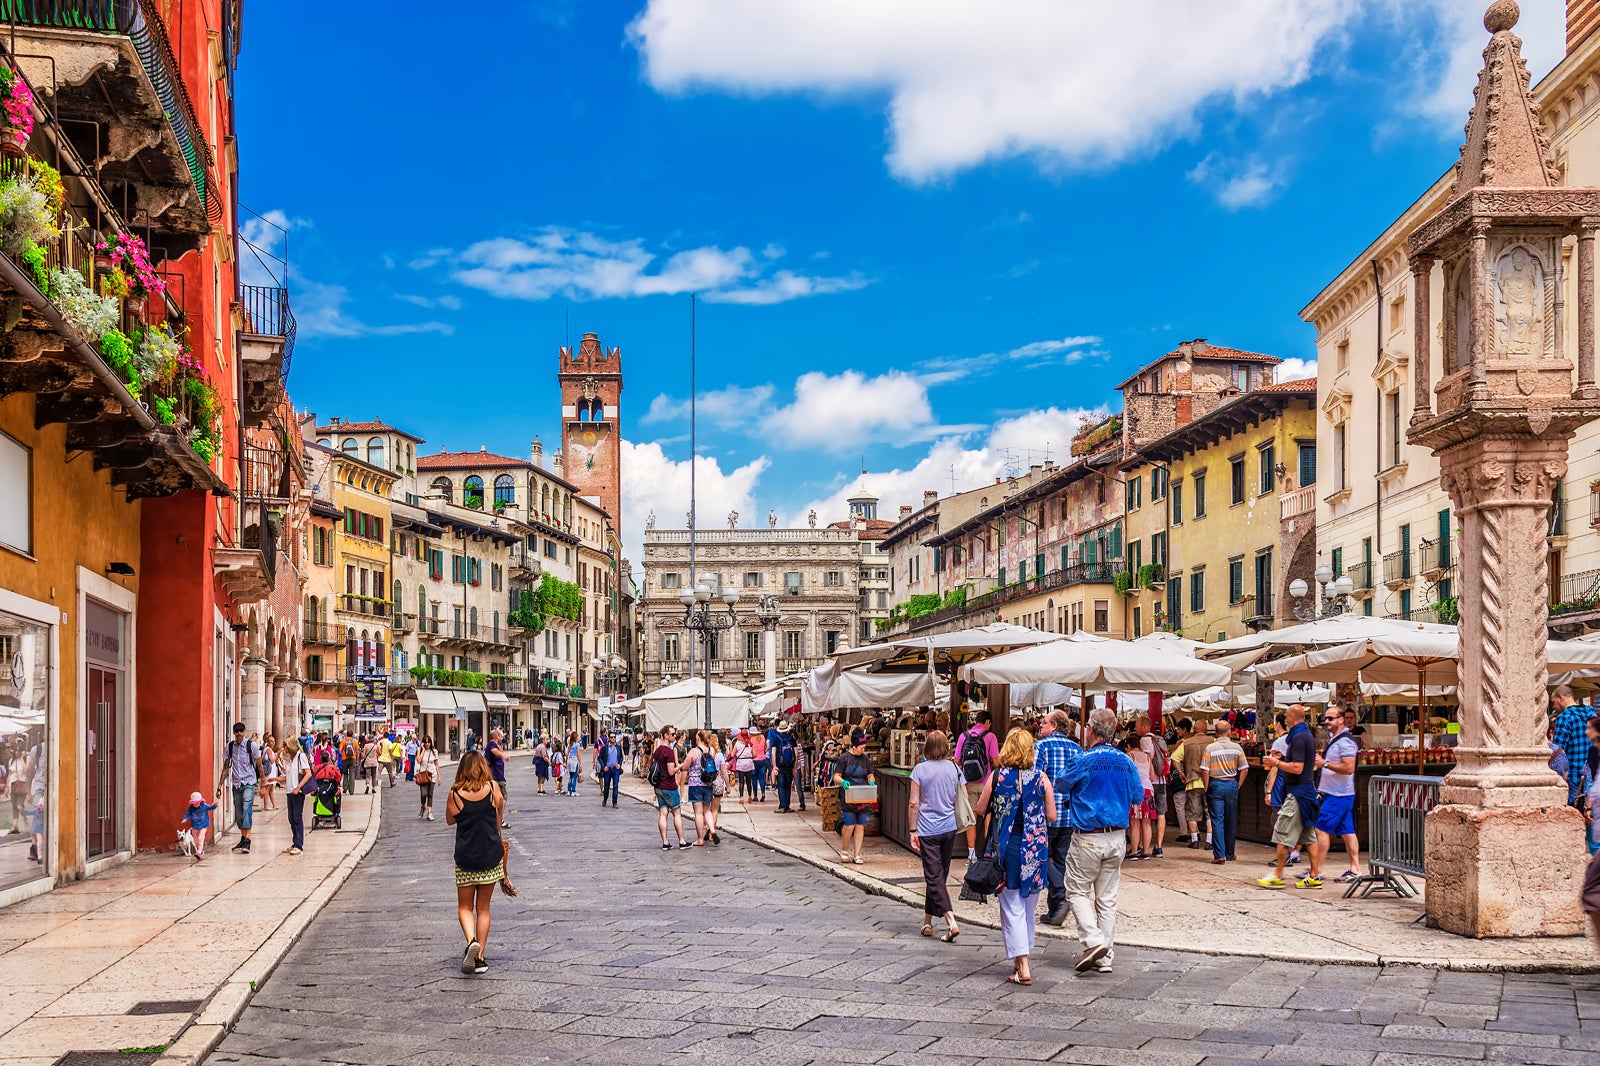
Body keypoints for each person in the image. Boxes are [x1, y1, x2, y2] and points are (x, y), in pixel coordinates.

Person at [1058, 709, 1145, 974]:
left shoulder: (1082, 760)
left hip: (1088, 837)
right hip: (1117, 837)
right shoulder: (1126, 761)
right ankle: (1105, 958)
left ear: (1092, 731)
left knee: (1076, 891)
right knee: (1107, 899)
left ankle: (1093, 942)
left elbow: (1061, 783)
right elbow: (1138, 796)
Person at [975, 728, 1057, 985]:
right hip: (1035, 849)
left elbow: (980, 808)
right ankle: (1022, 958)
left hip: (1007, 848)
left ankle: (1022, 964)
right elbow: (1052, 816)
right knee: (1029, 907)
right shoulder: (1041, 778)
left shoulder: (998, 777)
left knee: (1011, 907)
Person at [445, 751, 504, 975]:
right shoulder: (492, 788)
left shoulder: (455, 793)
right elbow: (499, 816)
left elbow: (450, 820)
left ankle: (471, 941)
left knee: (464, 907)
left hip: (466, 856)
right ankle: (479, 958)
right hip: (490, 854)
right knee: (484, 908)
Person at [909, 730, 963, 942]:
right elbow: (963, 796)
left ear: (927, 748)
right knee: (939, 875)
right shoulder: (954, 768)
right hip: (949, 828)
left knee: (933, 876)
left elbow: (914, 803)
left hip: (927, 829)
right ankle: (928, 922)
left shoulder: (920, 770)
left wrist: (912, 830)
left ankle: (951, 921)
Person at [1259, 705, 1319, 889]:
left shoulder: (1299, 738)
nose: (1284, 720)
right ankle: (1314, 876)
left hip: (1298, 794)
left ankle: (1278, 875)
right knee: (1309, 836)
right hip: (1307, 791)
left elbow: (1297, 767)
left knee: (1282, 833)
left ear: (1292, 717)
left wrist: (1276, 762)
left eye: (1286, 717)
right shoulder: (1305, 735)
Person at [1034, 709, 1082, 927]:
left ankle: (1060, 896)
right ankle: (1056, 910)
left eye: (1043, 723)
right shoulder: (1077, 749)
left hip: (1046, 813)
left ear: (1053, 726)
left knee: (1040, 856)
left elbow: (1034, 780)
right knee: (1061, 861)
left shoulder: (1041, 747)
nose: (1040, 726)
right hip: (1069, 815)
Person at [1308, 706, 1362, 887]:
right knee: (1348, 832)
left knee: (1320, 830)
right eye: (1326, 718)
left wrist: (1325, 763)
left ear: (1341, 720)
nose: (1327, 722)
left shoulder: (1346, 742)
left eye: (1331, 718)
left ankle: (1316, 871)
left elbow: (1348, 768)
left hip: (1338, 794)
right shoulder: (1336, 739)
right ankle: (1355, 869)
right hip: (1338, 793)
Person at [1202, 719, 1247, 864]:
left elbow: (1205, 770)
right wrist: (1238, 784)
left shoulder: (1210, 748)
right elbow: (1244, 769)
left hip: (1215, 784)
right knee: (1230, 820)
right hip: (1232, 783)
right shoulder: (1237, 748)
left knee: (1217, 820)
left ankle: (1219, 854)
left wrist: (1206, 786)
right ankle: (1229, 852)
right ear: (1229, 732)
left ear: (1215, 732)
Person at [955, 711, 1001, 853]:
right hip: (986, 782)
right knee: (988, 816)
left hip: (968, 783)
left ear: (976, 721)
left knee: (972, 817)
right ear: (987, 722)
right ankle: (988, 853)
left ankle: (971, 854)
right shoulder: (991, 736)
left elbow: (956, 760)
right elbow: (995, 761)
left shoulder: (963, 736)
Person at [217, 722, 262, 854]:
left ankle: (247, 840)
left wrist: (263, 783)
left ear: (244, 731)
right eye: (236, 732)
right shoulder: (229, 747)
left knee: (247, 808)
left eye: (241, 731)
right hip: (236, 784)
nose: (239, 734)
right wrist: (219, 785)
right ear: (233, 733)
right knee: (239, 814)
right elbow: (226, 767)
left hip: (248, 782)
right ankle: (243, 838)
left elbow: (259, 765)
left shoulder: (251, 746)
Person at [833, 728, 877, 864]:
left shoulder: (865, 759)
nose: (863, 750)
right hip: (849, 795)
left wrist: (871, 781)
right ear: (854, 746)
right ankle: (845, 850)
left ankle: (857, 854)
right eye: (861, 748)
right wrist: (843, 782)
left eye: (864, 747)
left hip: (863, 795)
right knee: (849, 824)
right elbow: (836, 777)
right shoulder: (844, 759)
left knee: (860, 825)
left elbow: (870, 774)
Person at [1135, 716, 1169, 857]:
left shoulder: (1144, 741)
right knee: (1161, 814)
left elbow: (1145, 762)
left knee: (1144, 816)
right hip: (1162, 781)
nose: (1135, 728)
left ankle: (1142, 846)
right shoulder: (1160, 740)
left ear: (1144, 726)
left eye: (1137, 725)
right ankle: (1159, 846)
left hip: (1150, 782)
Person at [650, 728, 690, 850]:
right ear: (666, 735)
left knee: (663, 813)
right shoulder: (669, 752)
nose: (675, 736)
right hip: (669, 786)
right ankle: (682, 841)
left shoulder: (657, 751)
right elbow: (671, 771)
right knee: (676, 813)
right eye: (673, 734)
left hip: (658, 786)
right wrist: (682, 766)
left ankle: (665, 842)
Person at [1174, 718, 1209, 849]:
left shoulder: (1186, 743)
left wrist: (1181, 773)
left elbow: (1174, 759)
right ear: (1206, 730)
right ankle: (1209, 841)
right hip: (1209, 782)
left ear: (1194, 730)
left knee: (1192, 813)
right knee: (1209, 813)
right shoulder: (1213, 742)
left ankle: (1194, 840)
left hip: (1192, 782)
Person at [1552, 685, 1590, 806]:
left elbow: (1557, 750)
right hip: (1592, 773)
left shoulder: (1564, 718)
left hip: (1573, 774)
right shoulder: (1591, 714)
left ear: (1561, 698)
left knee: (1573, 811)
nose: (1553, 707)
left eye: (1554, 702)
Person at [685, 730, 718, 845]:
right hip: (708, 783)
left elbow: (685, 766)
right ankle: (712, 830)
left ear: (698, 738)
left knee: (698, 813)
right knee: (707, 810)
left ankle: (700, 839)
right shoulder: (711, 750)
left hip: (695, 783)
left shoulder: (694, 751)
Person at [281, 738, 312, 855]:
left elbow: (308, 774)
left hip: (297, 792)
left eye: (286, 746)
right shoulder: (289, 759)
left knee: (297, 817)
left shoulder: (301, 757)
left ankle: (299, 844)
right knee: (291, 818)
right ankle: (294, 842)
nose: (284, 748)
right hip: (289, 791)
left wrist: (298, 787)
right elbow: (289, 775)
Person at [180, 791, 217, 860]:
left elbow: (211, 807)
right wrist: (185, 819)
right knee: (196, 840)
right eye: (193, 804)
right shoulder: (191, 808)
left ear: (200, 802)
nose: (195, 805)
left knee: (200, 838)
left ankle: (199, 851)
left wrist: (215, 805)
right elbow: (188, 814)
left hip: (203, 825)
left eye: (196, 803)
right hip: (194, 826)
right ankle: (201, 851)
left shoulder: (205, 806)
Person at [772, 720, 800, 812]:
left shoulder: (776, 739)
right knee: (788, 786)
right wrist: (795, 767)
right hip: (790, 766)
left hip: (780, 766)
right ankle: (787, 806)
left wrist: (774, 766)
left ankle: (782, 806)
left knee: (781, 786)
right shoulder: (791, 739)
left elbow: (773, 753)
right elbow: (796, 753)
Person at [485, 729, 509, 825]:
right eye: (499, 735)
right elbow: (494, 750)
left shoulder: (494, 744)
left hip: (495, 774)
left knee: (496, 798)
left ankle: (497, 818)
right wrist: (503, 756)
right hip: (497, 776)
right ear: (496, 737)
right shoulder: (492, 744)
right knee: (502, 798)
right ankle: (500, 819)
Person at [415, 735, 440, 820]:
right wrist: (422, 750)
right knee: (423, 793)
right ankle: (423, 807)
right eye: (425, 742)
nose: (427, 744)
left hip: (432, 774)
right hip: (423, 775)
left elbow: (436, 764)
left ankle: (429, 813)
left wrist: (439, 777)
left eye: (428, 742)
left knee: (430, 793)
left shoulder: (434, 751)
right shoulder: (419, 750)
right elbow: (418, 760)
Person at [597, 731, 623, 808]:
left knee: (615, 786)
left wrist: (619, 764)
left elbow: (621, 757)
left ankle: (614, 803)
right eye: (611, 737)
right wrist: (603, 766)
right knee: (606, 786)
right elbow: (600, 757)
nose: (613, 739)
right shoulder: (605, 748)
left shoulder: (618, 747)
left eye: (614, 737)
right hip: (607, 769)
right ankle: (605, 799)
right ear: (608, 738)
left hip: (615, 769)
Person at [731, 729, 756, 801]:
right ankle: (750, 796)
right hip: (749, 763)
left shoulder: (737, 744)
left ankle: (741, 797)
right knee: (749, 781)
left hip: (740, 763)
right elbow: (754, 755)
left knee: (741, 781)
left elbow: (732, 755)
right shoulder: (750, 744)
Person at [751, 726, 770, 802]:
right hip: (762, 760)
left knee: (754, 778)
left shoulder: (751, 740)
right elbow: (765, 748)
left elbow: (751, 751)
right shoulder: (763, 738)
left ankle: (755, 795)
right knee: (762, 778)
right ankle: (763, 793)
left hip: (754, 761)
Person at [565, 732, 583, 796]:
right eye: (577, 736)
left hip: (569, 760)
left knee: (570, 776)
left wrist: (566, 761)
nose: (578, 737)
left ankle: (569, 790)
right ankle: (573, 791)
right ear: (575, 737)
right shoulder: (577, 744)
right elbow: (578, 754)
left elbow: (567, 754)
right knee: (574, 776)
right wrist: (580, 762)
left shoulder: (569, 745)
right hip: (574, 760)